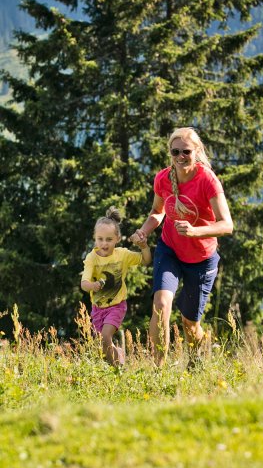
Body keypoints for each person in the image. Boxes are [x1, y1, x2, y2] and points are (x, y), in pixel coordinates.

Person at [130, 127, 233, 367]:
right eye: (175, 151)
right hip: (170, 250)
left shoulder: (207, 180)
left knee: (190, 324)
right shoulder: (163, 178)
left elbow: (227, 225)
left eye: (185, 151)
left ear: (196, 151)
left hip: (201, 259)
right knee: (161, 303)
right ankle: (159, 371)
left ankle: (196, 360)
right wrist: (144, 230)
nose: (180, 156)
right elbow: (157, 212)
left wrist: (196, 231)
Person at [81, 206, 152, 366]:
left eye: (109, 239)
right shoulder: (92, 258)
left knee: (106, 336)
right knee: (102, 344)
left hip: (116, 306)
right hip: (97, 309)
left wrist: (143, 246)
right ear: (95, 238)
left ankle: (117, 369)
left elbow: (145, 260)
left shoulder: (122, 255)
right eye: (100, 239)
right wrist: (92, 285)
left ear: (117, 239)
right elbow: (84, 284)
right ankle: (117, 361)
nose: (104, 244)